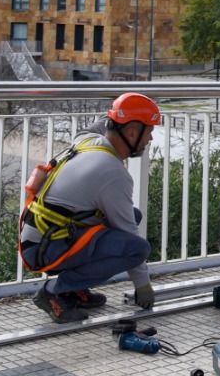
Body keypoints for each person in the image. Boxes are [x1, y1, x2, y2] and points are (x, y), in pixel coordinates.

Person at [19, 92, 161, 323]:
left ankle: (74, 288)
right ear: (132, 132)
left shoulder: (87, 139)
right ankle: (54, 290)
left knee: (133, 215)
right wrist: (142, 285)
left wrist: (125, 107)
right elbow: (128, 234)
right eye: (149, 131)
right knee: (137, 249)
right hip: (44, 249)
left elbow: (105, 122)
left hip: (40, 237)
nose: (151, 139)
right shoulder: (113, 174)